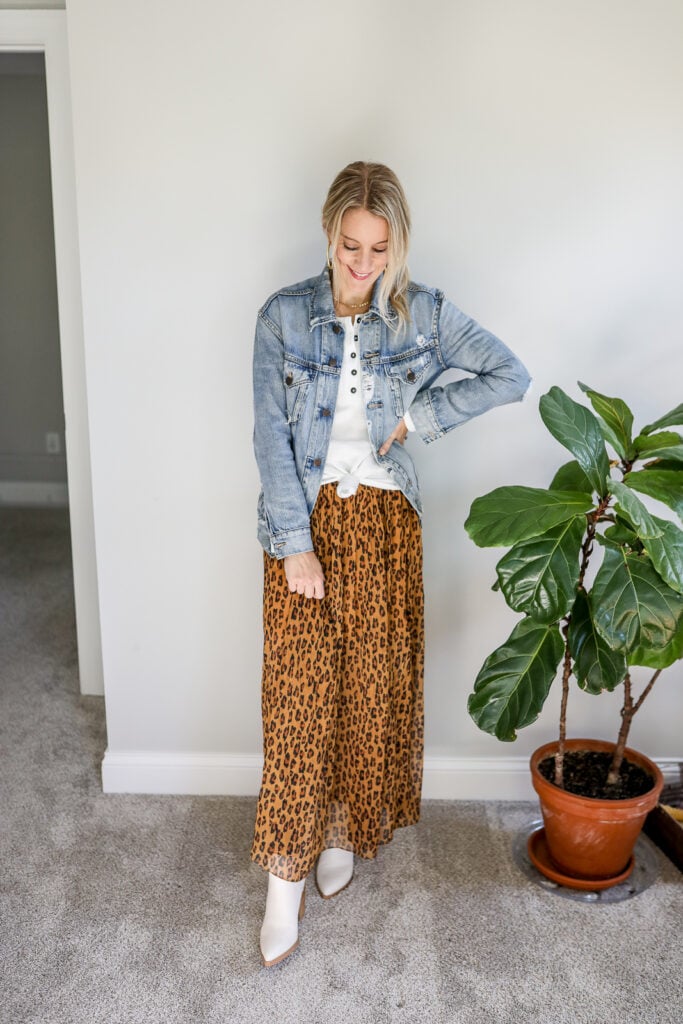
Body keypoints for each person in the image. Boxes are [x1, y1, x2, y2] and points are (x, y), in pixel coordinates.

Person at [251, 161, 530, 966]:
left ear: (396, 243)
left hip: (384, 525)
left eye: (379, 247)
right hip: (303, 525)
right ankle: (283, 882)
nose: (363, 263)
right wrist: (295, 544)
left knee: (369, 694)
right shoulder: (281, 317)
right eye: (349, 245)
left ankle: (341, 833)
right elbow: (271, 440)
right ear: (328, 236)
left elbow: (508, 375)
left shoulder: (423, 315)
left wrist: (418, 416)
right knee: (300, 706)